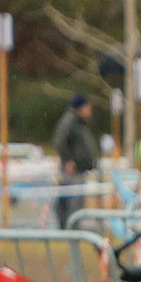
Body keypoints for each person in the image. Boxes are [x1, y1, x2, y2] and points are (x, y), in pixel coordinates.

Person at [52, 92, 98, 228]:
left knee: (75, 201)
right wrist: (68, 161)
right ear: (80, 107)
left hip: (79, 168)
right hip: (73, 170)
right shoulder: (70, 121)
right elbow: (59, 142)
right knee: (71, 200)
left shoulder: (78, 122)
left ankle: (72, 226)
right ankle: (69, 227)